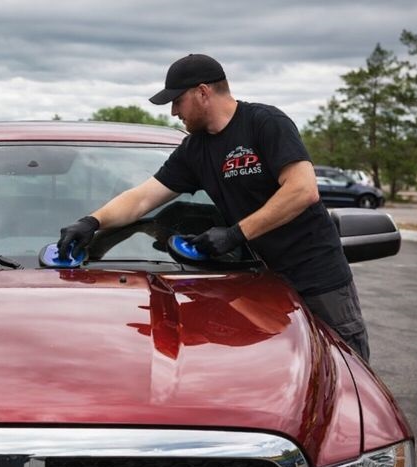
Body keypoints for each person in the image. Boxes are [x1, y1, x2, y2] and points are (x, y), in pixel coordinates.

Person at [58, 54, 370, 362]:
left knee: (341, 370)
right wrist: (92, 221)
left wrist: (234, 235)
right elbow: (141, 198)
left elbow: (302, 190)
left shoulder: (265, 123)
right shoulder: (194, 150)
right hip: (253, 287)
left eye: (177, 101)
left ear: (203, 92)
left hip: (316, 280)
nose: (173, 112)